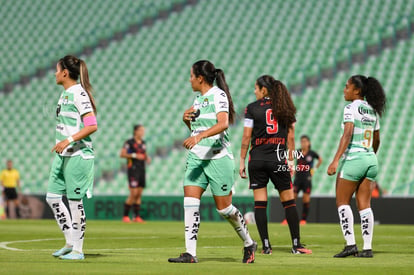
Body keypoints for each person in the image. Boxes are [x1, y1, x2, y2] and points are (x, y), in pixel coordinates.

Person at [168, 60, 256, 264]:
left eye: (191, 76)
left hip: (217, 158)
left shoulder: (219, 95)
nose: (189, 80)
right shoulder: (198, 100)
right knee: (190, 202)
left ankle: (248, 242)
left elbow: (223, 123)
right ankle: (190, 253)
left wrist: (199, 137)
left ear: (200, 78)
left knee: (224, 209)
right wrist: (186, 120)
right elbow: (196, 130)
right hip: (196, 158)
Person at [239, 75, 312, 255]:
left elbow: (246, 136)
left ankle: (266, 246)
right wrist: (291, 161)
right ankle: (296, 245)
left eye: (256, 88)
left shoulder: (251, 108)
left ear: (264, 90)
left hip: (257, 159)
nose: (254, 92)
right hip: (278, 159)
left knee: (260, 204)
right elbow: (291, 138)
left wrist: (241, 160)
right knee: (289, 202)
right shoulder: (285, 108)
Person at [46, 55, 98, 260]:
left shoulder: (78, 93)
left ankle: (78, 249)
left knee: (75, 201)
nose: (55, 73)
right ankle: (70, 241)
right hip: (63, 155)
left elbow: (92, 125)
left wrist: (67, 140)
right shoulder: (65, 94)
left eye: (57, 70)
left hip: (78, 154)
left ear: (65, 73)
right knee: (52, 197)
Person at [327, 75, 385, 258]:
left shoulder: (350, 108)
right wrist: (369, 155)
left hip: (353, 159)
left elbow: (348, 133)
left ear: (357, 90)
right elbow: (377, 139)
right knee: (365, 205)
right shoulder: (373, 111)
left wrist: (335, 160)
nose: (344, 90)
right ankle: (367, 248)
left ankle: (351, 245)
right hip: (370, 159)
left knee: (342, 202)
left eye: (346, 87)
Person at [120, 124, 151, 223]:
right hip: (133, 170)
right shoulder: (129, 142)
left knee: (139, 194)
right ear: (135, 131)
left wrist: (147, 157)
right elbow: (122, 154)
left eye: (143, 130)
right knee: (133, 193)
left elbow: (144, 154)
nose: (143, 132)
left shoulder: (143, 143)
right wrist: (134, 155)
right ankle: (125, 216)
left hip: (142, 169)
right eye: (141, 130)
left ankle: (136, 216)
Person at [293, 135, 322, 225]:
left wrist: (314, 170)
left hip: (307, 179)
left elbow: (320, 160)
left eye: (305, 141)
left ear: (309, 143)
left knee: (306, 200)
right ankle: (289, 219)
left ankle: (303, 220)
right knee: (292, 199)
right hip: (297, 178)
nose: (303, 143)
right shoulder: (298, 152)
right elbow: (290, 159)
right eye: (302, 141)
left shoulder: (312, 153)